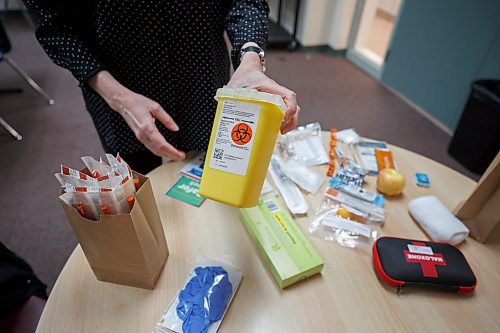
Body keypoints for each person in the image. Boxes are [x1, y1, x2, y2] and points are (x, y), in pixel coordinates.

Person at [23, 1, 299, 174]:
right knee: (141, 180)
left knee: (213, 169)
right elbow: (56, 27)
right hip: (120, 88)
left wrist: (250, 56)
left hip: (202, 77)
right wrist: (119, 99)